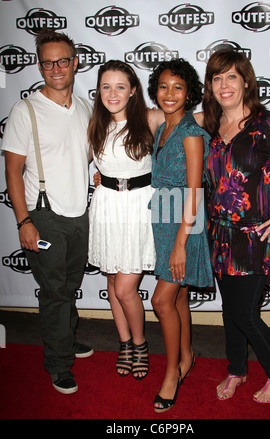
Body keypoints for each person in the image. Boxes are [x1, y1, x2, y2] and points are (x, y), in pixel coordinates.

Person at [202, 49, 270, 403]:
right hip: (219, 234)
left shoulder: (268, 125)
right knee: (230, 310)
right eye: (217, 78)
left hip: (257, 235)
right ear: (210, 86)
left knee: (243, 312)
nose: (224, 84)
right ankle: (236, 369)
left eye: (231, 76)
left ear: (246, 81)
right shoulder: (212, 128)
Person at [2, 30, 93, 395]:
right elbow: (12, 171)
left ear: (75, 62)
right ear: (40, 66)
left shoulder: (86, 106)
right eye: (48, 62)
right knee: (55, 292)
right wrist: (23, 221)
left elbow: (81, 156)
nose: (56, 69)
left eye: (63, 61)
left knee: (69, 286)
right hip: (44, 215)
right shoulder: (25, 110)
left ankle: (66, 339)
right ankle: (58, 364)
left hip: (79, 213)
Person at [88, 60, 163, 380]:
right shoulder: (94, 123)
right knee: (111, 283)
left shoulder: (149, 117)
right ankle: (125, 345)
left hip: (138, 209)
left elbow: (198, 120)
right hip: (106, 206)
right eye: (106, 86)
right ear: (98, 91)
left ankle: (141, 344)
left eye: (121, 86)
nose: (113, 93)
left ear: (133, 90)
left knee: (124, 288)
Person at [147, 58, 214, 412]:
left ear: (189, 93)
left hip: (184, 226)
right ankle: (187, 356)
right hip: (163, 219)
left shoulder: (190, 132)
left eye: (177, 87)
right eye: (163, 87)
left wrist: (180, 246)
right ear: (155, 91)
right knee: (178, 297)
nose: (169, 94)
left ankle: (172, 372)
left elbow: (194, 192)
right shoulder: (163, 128)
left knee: (161, 301)